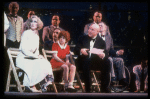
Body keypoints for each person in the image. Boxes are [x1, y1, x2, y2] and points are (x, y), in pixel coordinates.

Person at [16, 15, 54, 92]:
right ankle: (30, 85)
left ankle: (46, 81)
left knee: (44, 61)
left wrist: (39, 56)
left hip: (31, 58)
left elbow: (36, 51)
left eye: (35, 21)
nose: (33, 23)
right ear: (29, 23)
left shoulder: (36, 36)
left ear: (38, 24)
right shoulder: (26, 33)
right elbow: (24, 49)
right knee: (34, 63)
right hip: (23, 58)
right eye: (32, 21)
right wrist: (35, 56)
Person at [74, 23, 111, 93]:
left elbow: (105, 53)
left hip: (94, 62)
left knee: (107, 62)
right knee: (87, 60)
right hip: (83, 62)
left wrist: (103, 55)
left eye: (92, 30)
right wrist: (81, 51)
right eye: (89, 29)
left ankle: (104, 88)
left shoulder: (101, 41)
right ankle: (88, 88)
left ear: (97, 32)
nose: (89, 31)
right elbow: (75, 50)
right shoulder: (82, 38)